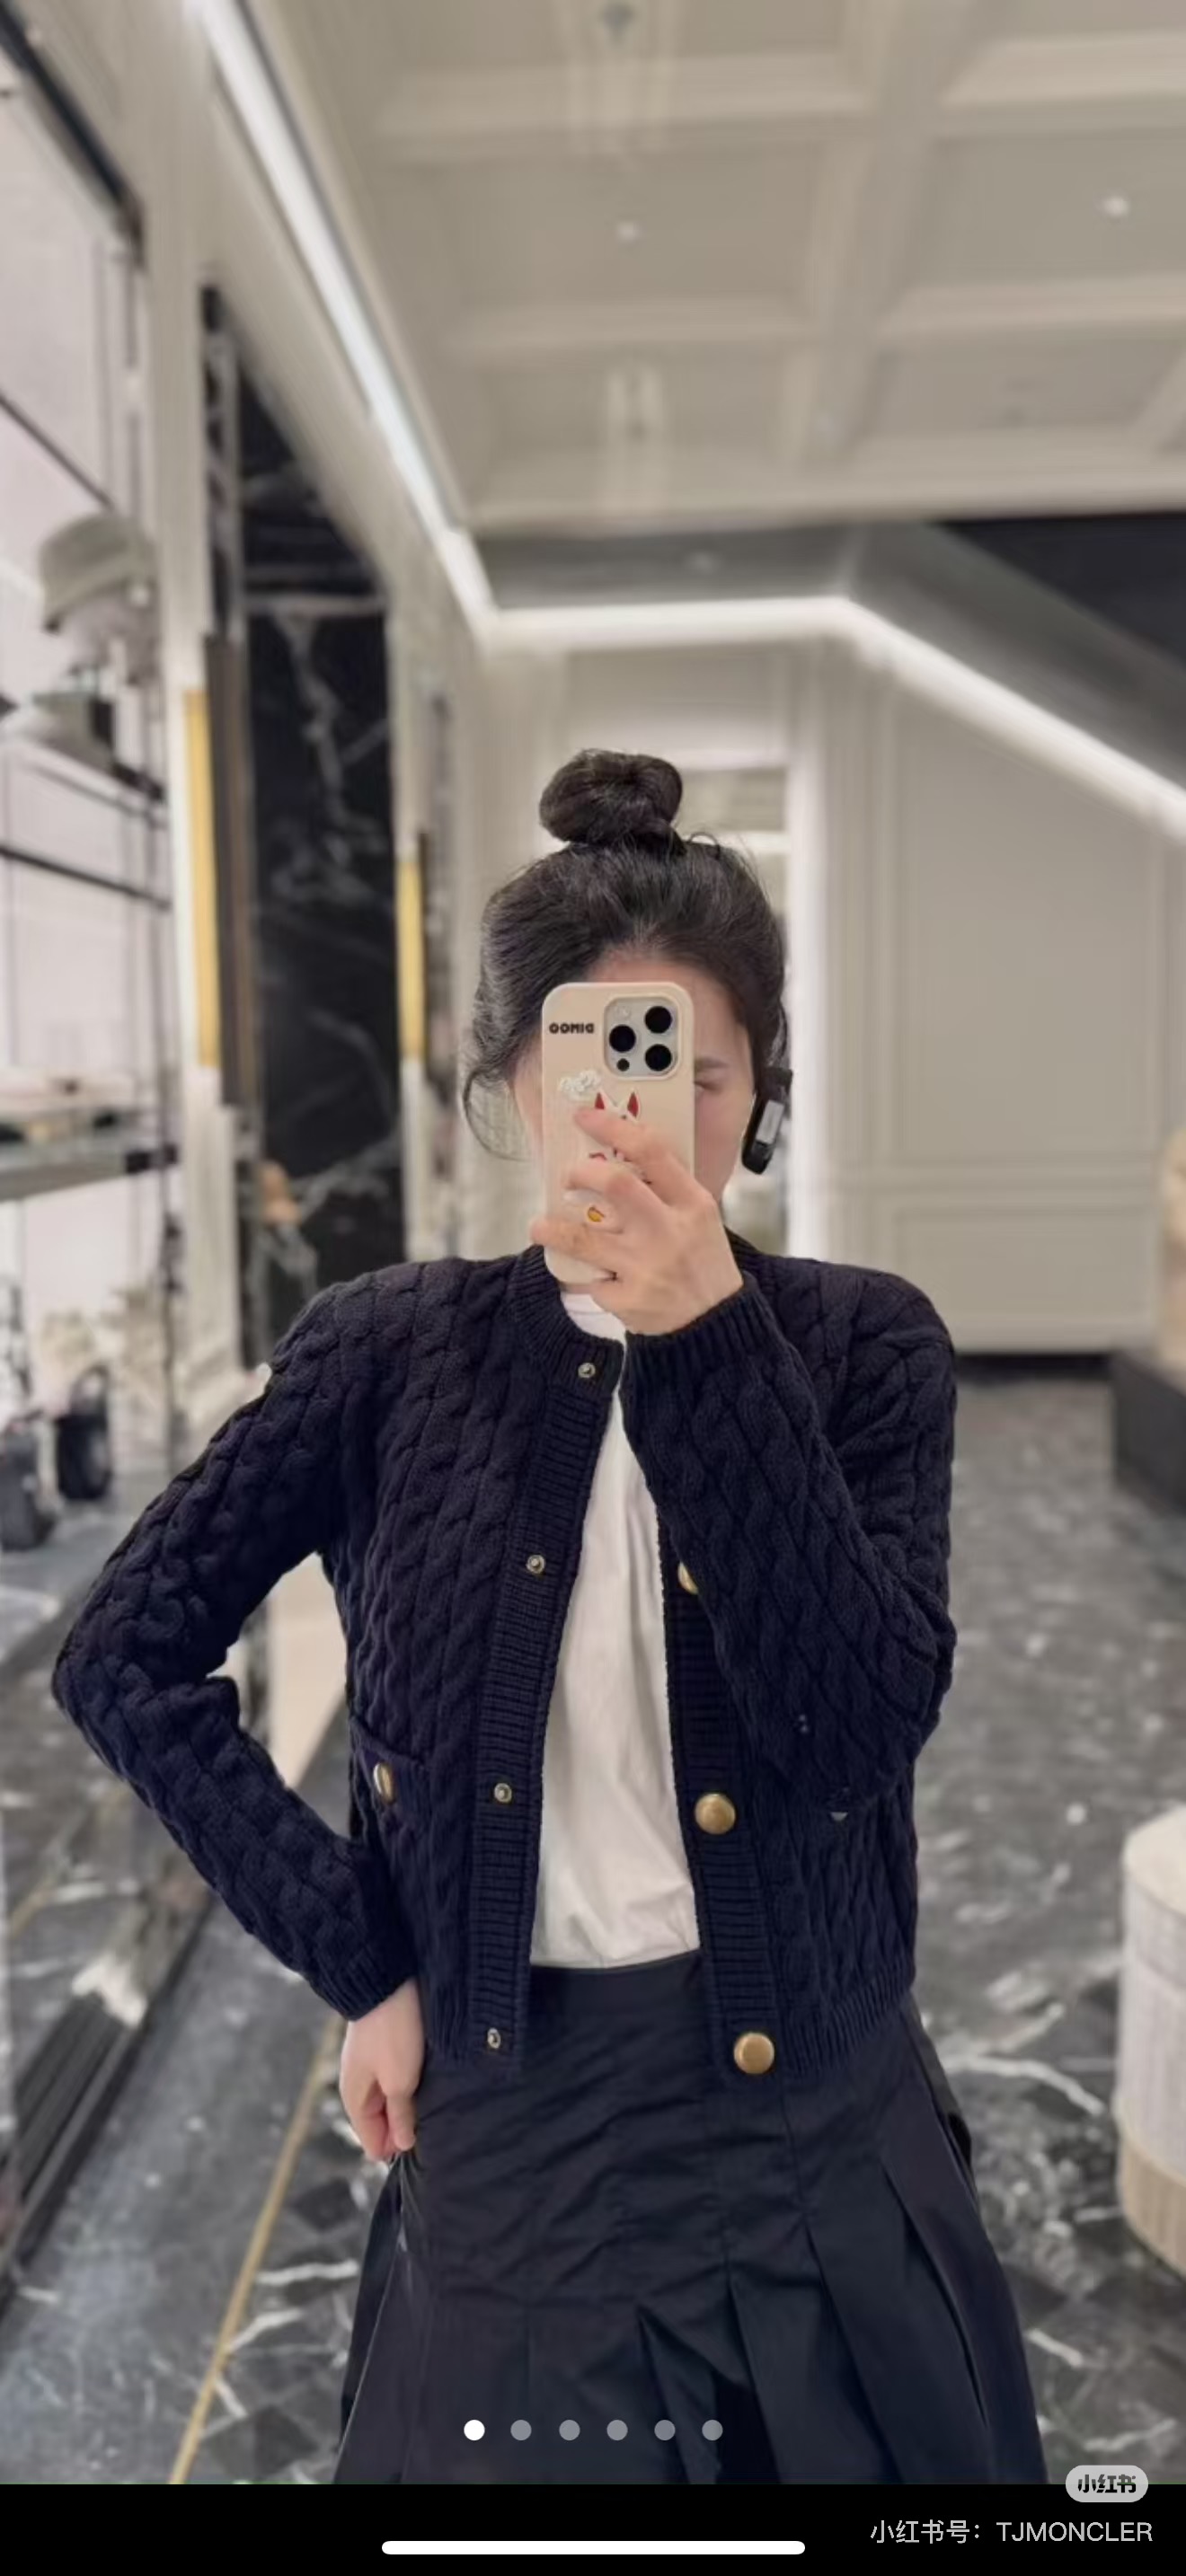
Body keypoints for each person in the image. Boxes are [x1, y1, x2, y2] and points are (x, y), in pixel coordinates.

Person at [52, 748, 1047, 2489]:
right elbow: (119, 1651)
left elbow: (856, 1729)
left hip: (822, 2145)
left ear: (758, 1090)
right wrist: (363, 1956)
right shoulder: (383, 1355)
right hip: (514, 2151)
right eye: (597, 1065)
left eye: (699, 1072)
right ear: (513, 1080)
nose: (642, 1115)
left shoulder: (861, 1348)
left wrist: (709, 1341)